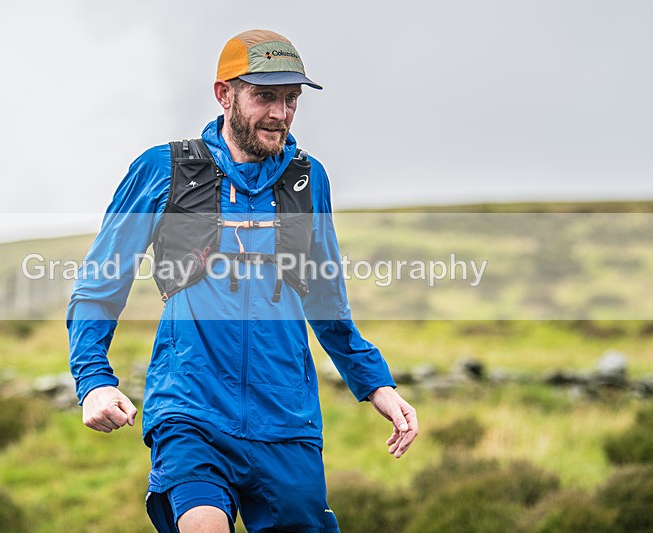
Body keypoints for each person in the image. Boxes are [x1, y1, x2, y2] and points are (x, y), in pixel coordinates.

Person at [67, 29, 418, 532]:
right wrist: (95, 382)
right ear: (224, 94)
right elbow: (99, 287)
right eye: (264, 96)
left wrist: (375, 384)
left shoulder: (308, 180)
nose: (280, 113)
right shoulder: (165, 170)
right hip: (192, 410)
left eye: (290, 99)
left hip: (287, 420)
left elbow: (327, 301)